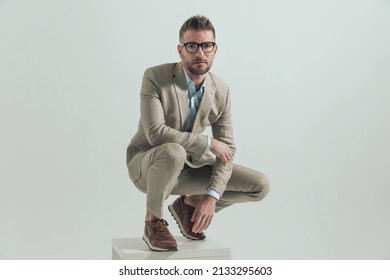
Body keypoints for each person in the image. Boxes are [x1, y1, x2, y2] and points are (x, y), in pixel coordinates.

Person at [126, 15, 269, 252]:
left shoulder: (221, 91)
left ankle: (188, 205)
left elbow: (228, 150)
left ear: (215, 50)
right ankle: (152, 220)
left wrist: (211, 196)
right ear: (181, 51)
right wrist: (207, 143)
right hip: (149, 165)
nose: (199, 53)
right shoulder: (155, 78)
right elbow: (155, 133)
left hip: (189, 168)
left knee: (259, 185)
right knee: (174, 151)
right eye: (191, 46)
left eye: (206, 46)